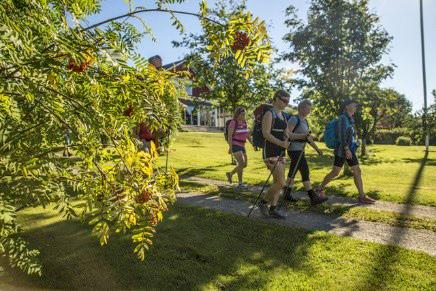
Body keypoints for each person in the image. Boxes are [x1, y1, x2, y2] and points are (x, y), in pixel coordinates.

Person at [316, 99, 376, 204]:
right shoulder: (343, 119)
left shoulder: (350, 119)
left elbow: (349, 135)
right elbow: (341, 136)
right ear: (347, 106)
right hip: (343, 150)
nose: (355, 108)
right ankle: (319, 188)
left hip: (349, 149)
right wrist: (346, 149)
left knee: (356, 170)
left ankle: (362, 196)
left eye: (356, 106)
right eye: (354, 106)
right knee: (335, 172)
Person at [283, 100, 328, 206]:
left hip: (300, 149)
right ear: (301, 108)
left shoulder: (305, 121)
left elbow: (308, 138)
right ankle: (313, 197)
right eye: (307, 109)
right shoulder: (294, 119)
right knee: (305, 171)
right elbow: (287, 134)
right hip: (293, 149)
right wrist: (302, 137)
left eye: (310, 109)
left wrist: (317, 149)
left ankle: (287, 193)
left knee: (293, 171)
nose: (309, 111)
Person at [257, 90, 291, 219]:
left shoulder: (283, 115)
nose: (286, 103)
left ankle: (273, 208)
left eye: (288, 101)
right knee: (281, 182)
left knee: (277, 181)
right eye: (284, 100)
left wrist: (303, 136)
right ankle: (263, 202)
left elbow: (287, 134)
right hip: (270, 151)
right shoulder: (269, 114)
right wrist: (281, 143)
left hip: (281, 152)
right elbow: (266, 134)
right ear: (276, 99)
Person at [226, 107, 250, 189]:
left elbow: (247, 134)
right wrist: (230, 147)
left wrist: (252, 143)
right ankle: (240, 184)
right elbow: (229, 136)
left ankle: (230, 174)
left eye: (244, 114)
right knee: (241, 163)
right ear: (238, 114)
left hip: (242, 145)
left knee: (244, 164)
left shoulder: (244, 122)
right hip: (235, 144)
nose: (244, 115)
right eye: (242, 114)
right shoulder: (233, 122)